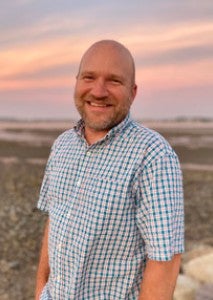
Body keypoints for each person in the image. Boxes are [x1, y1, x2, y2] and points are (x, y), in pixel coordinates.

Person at [35, 40, 184, 300]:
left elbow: (165, 259)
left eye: (114, 81)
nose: (99, 91)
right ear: (77, 82)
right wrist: (40, 292)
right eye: (89, 77)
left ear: (133, 92)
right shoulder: (62, 145)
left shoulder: (152, 154)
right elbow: (54, 222)